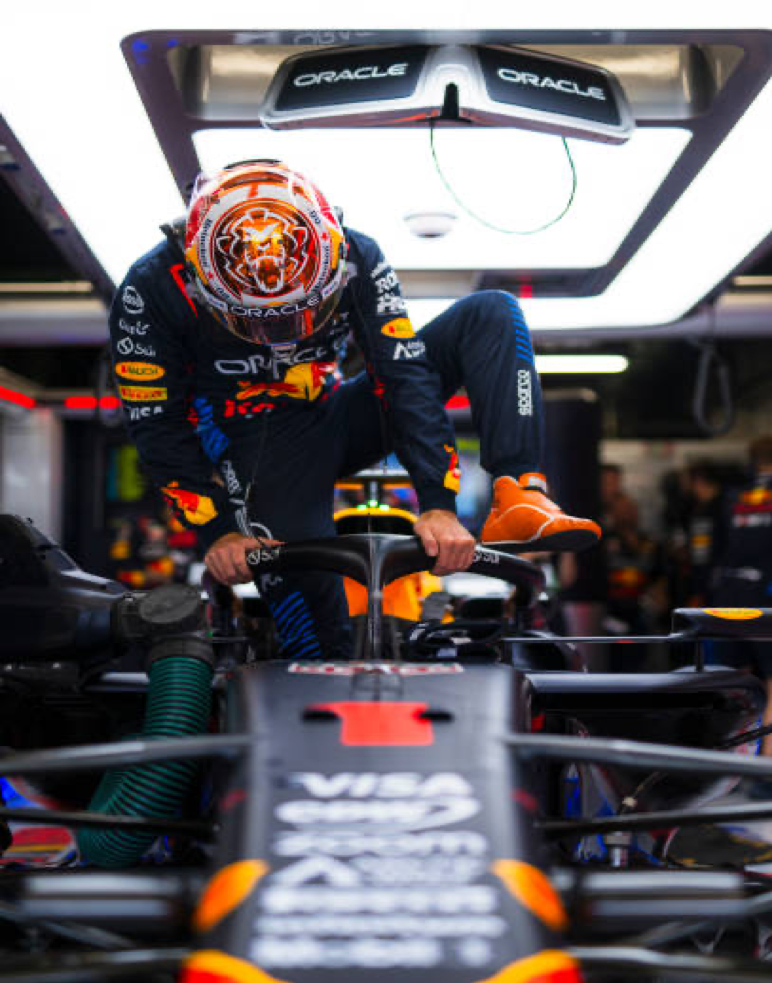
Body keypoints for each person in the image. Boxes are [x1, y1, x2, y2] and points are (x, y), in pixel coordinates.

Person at [109, 160, 600, 656]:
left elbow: (402, 375)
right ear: (199, 277)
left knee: (492, 311)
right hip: (255, 447)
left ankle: (518, 491)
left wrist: (438, 504)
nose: (286, 334)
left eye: (301, 312)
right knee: (317, 638)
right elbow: (156, 425)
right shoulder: (149, 288)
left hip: (340, 410)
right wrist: (216, 532)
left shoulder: (356, 253)